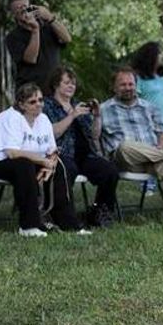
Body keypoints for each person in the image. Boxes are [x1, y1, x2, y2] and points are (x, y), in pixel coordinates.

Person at [0, 83, 88, 238]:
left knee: (62, 164)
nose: (38, 104)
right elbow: (12, 153)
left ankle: (67, 222)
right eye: (32, 102)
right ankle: (28, 226)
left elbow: (52, 150)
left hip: (22, 161)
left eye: (40, 100)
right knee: (23, 166)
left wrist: (49, 165)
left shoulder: (43, 119)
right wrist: (42, 162)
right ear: (21, 104)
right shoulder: (11, 118)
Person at [100, 67, 163, 228]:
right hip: (125, 159)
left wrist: (161, 146)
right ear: (114, 87)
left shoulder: (149, 106)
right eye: (122, 84)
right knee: (125, 146)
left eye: (131, 84)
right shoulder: (104, 109)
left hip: (152, 158)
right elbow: (95, 136)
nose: (128, 88)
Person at [43, 66, 119, 227]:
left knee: (110, 171)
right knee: (68, 169)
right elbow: (52, 133)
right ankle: (62, 216)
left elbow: (94, 135)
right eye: (67, 83)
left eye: (74, 83)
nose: (72, 86)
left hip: (85, 155)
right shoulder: (47, 105)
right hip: (62, 154)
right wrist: (72, 115)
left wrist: (97, 116)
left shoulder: (78, 105)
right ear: (56, 84)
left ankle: (99, 211)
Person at [5, 0, 72, 89]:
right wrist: (35, 30)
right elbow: (31, 59)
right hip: (31, 90)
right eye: (19, 9)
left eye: (26, 7)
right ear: (14, 14)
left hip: (54, 88)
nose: (24, 11)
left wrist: (50, 17)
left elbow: (67, 38)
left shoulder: (48, 27)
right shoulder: (13, 37)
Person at [131, 41, 163, 146]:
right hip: (152, 122)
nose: (162, 56)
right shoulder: (139, 78)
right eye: (159, 53)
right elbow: (135, 99)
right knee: (156, 153)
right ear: (151, 56)